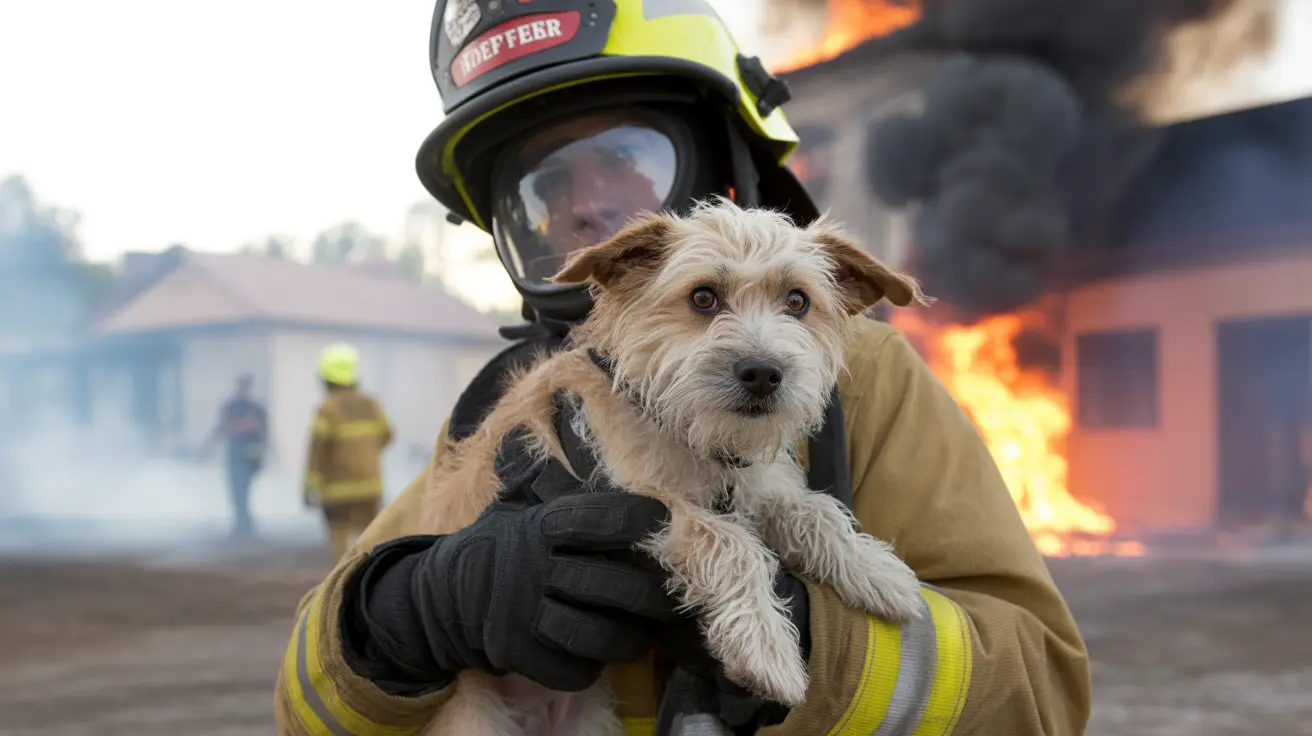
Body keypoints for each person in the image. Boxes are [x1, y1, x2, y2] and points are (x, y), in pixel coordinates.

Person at [274, 2, 1092, 734]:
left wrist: (815, 639)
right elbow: (305, 700)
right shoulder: (507, 404)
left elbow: (1044, 691)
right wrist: (402, 617)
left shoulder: (866, 377)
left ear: (722, 159)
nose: (587, 203)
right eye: (544, 183)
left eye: (625, 155)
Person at [303, 342, 394, 563]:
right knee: (372, 540)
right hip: (370, 487)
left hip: (337, 492)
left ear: (325, 377)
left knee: (340, 541)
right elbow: (387, 436)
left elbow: (317, 452)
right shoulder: (371, 405)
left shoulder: (327, 410)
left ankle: (343, 587)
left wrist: (308, 488)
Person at [203, 374, 266, 538]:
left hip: (249, 458)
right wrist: (207, 449)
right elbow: (222, 428)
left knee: (243, 490)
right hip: (234, 455)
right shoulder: (231, 407)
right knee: (236, 491)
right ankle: (242, 523)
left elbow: (262, 431)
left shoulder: (256, 408)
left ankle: (245, 524)